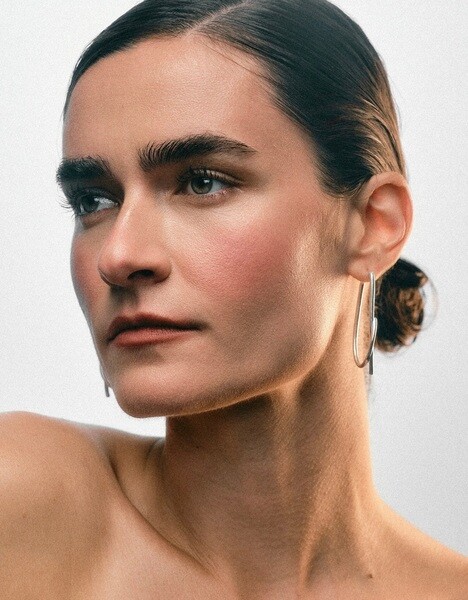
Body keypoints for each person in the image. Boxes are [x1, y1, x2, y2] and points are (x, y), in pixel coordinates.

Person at [1, 0, 466, 597]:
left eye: (203, 182)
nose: (118, 255)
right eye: (95, 200)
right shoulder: (25, 507)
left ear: (374, 225)